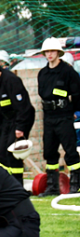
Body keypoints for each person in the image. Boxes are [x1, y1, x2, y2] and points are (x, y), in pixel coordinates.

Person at [0, 57, 35, 186]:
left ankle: (18, 185)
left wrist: (20, 127)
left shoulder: (11, 80)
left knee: (13, 153)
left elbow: (24, 107)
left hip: (21, 118)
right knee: (1, 154)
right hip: (6, 120)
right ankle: (9, 182)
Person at [37, 38, 80, 195]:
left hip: (64, 115)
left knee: (70, 150)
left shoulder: (68, 72)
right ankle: (52, 186)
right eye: (47, 51)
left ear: (58, 52)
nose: (49, 54)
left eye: (52, 51)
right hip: (48, 117)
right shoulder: (42, 73)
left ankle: (76, 182)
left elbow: (77, 94)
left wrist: (75, 112)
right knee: (49, 152)